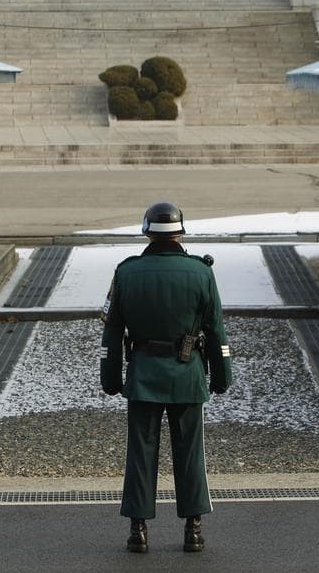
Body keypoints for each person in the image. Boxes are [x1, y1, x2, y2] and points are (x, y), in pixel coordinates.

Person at [100, 202, 233, 554]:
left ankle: (138, 529)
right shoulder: (201, 272)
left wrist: (110, 378)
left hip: (143, 375)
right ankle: (193, 528)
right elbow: (216, 331)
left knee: (140, 453)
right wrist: (222, 377)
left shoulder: (127, 272)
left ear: (147, 232)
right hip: (187, 375)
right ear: (180, 233)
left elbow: (112, 331)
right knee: (190, 453)